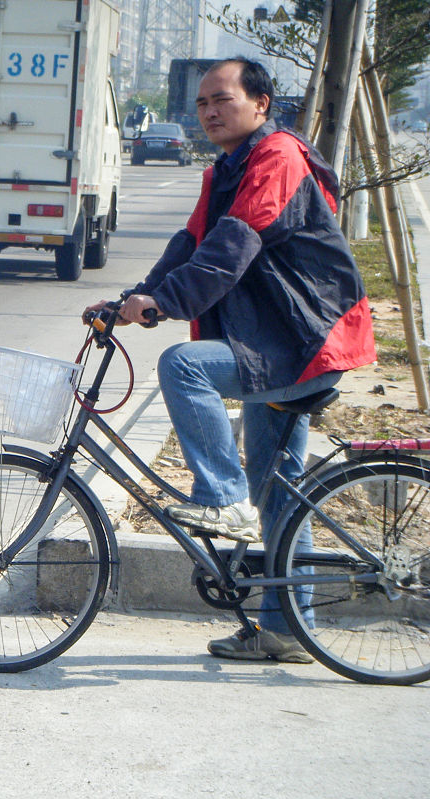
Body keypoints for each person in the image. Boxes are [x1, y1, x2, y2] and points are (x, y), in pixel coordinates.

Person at [86, 57, 375, 663]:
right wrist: (130, 302)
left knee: (184, 365)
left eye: (223, 98)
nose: (210, 111)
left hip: (301, 340)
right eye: (202, 103)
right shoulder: (226, 168)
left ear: (261, 104)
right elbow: (189, 244)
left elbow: (232, 245)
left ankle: (222, 500)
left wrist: (164, 305)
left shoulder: (277, 157)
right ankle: (287, 631)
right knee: (282, 495)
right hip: (271, 341)